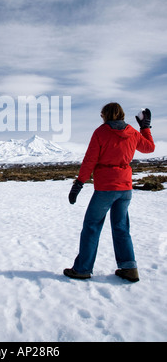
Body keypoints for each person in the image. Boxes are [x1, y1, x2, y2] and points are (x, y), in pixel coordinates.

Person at [64, 103, 155, 283]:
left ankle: (82, 269)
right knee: (121, 227)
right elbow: (149, 148)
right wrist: (145, 128)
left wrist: (79, 184)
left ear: (105, 115)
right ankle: (129, 269)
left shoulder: (101, 132)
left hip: (106, 188)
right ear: (121, 114)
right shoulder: (132, 132)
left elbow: (89, 160)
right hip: (125, 188)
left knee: (92, 226)